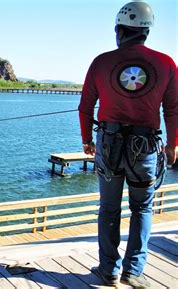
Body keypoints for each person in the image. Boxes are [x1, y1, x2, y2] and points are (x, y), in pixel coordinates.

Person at [78, 1, 177, 288]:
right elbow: (173, 109)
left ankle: (108, 270)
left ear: (119, 31)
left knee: (109, 208)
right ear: (146, 32)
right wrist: (173, 145)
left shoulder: (102, 62)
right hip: (145, 147)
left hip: (108, 144)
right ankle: (134, 271)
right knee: (142, 209)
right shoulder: (166, 63)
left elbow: (85, 106)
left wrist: (86, 139)